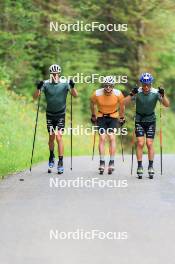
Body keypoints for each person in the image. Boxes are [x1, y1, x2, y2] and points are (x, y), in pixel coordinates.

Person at [124, 72, 170, 179]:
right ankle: (140, 166)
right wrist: (131, 94)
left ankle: (150, 166)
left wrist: (163, 95)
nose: (146, 87)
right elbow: (123, 103)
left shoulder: (155, 92)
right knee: (140, 143)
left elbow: (167, 104)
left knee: (149, 143)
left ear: (151, 83)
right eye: (144, 84)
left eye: (148, 84)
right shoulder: (137, 92)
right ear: (141, 84)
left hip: (150, 121)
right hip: (139, 120)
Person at [33, 64, 78, 174]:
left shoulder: (65, 83)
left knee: (58, 137)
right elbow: (35, 96)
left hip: (60, 115)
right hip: (50, 115)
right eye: (52, 73)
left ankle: (61, 162)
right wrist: (38, 88)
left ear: (59, 74)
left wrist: (72, 86)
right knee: (51, 137)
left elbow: (75, 95)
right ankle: (51, 155)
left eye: (56, 73)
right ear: (50, 74)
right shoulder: (46, 83)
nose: (54, 75)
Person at [90, 76, 125, 174]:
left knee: (111, 137)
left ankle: (111, 162)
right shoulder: (97, 93)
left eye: (110, 86)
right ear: (103, 86)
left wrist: (122, 117)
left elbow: (122, 106)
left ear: (113, 86)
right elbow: (92, 103)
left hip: (113, 117)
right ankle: (102, 162)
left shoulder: (118, 94)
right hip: (101, 117)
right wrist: (93, 115)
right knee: (102, 137)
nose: (108, 88)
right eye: (106, 86)